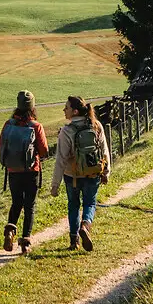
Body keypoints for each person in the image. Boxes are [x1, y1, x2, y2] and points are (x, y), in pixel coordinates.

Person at [50, 94, 109, 251]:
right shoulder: (96, 126)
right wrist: (106, 172)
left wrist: (55, 185)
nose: (64, 110)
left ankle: (74, 241)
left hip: (72, 175)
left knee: (73, 205)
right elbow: (104, 151)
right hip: (93, 173)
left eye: (67, 108)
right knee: (90, 203)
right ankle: (86, 225)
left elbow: (61, 160)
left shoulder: (66, 131)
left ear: (75, 111)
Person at [0, 90, 48, 254]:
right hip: (31, 171)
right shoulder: (36, 126)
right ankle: (25, 243)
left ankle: (10, 229)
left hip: (13, 171)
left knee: (16, 201)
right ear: (32, 107)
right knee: (29, 205)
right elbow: (44, 150)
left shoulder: (9, 124)